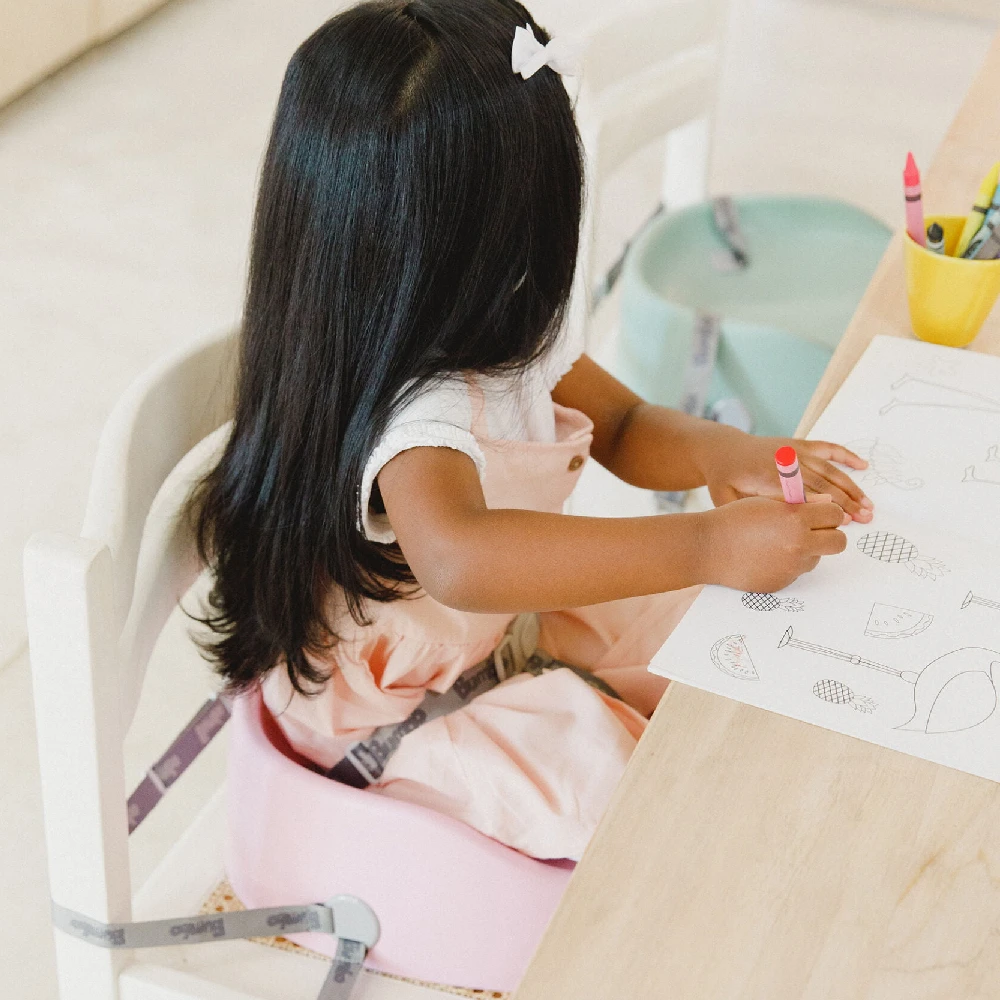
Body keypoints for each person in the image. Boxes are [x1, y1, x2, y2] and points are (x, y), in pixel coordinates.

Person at [190, 0, 873, 861]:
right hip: (397, 726)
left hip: (503, 635)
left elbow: (623, 422)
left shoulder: (495, 324)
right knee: (642, 804)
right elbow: (460, 558)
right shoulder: (417, 416)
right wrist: (705, 543)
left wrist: (729, 454)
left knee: (741, 636)